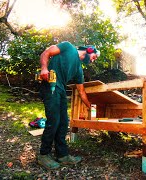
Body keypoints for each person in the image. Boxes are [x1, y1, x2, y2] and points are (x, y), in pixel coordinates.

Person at [37, 41, 100, 170]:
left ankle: (62, 155)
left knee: (63, 122)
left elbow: (81, 91)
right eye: (95, 57)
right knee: (54, 121)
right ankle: (43, 155)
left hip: (61, 90)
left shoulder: (79, 70)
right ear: (89, 50)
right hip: (50, 85)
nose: (93, 60)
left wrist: (90, 106)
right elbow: (46, 52)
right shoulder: (68, 47)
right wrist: (44, 68)